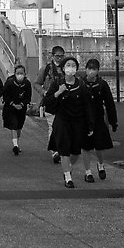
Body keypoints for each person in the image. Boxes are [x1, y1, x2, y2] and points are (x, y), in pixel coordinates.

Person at [44, 57, 95, 188]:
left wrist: (90, 124)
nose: (70, 68)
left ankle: (69, 167)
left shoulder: (81, 85)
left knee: (75, 151)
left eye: (73, 65)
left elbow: (87, 106)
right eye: (68, 65)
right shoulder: (57, 84)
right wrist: (58, 93)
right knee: (64, 149)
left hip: (78, 121)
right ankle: (67, 177)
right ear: (62, 68)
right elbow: (48, 103)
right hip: (62, 121)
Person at [81, 59, 118, 181]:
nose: (91, 71)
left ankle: (100, 165)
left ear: (97, 71)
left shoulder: (102, 84)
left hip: (98, 118)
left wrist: (113, 121)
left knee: (99, 145)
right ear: (85, 69)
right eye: (89, 68)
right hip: (84, 119)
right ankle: (88, 172)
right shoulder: (80, 83)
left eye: (94, 69)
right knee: (85, 146)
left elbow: (109, 104)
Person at [33, 46, 67, 164]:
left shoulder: (67, 68)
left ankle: (61, 149)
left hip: (64, 103)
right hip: (51, 102)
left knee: (64, 127)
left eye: (62, 56)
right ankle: (54, 151)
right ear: (52, 56)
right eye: (57, 56)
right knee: (52, 127)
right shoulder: (46, 69)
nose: (59, 58)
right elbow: (36, 84)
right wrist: (44, 92)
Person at [2, 65, 32, 155]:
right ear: (15, 74)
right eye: (18, 73)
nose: (20, 75)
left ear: (25, 74)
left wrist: (22, 104)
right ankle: (15, 145)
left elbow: (28, 97)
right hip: (11, 108)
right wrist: (13, 104)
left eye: (21, 73)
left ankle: (17, 143)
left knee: (19, 126)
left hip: (22, 108)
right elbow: (5, 96)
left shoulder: (27, 84)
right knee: (13, 125)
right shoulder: (10, 82)